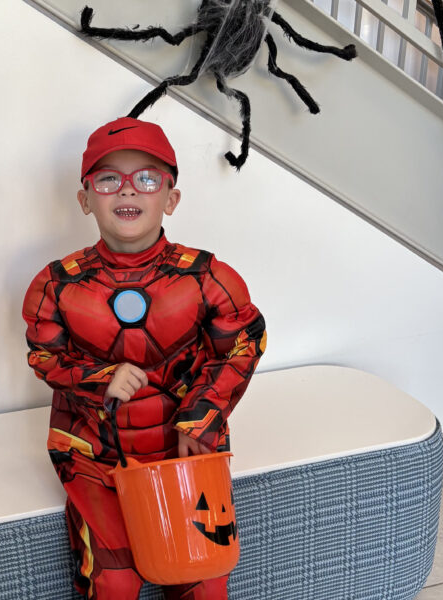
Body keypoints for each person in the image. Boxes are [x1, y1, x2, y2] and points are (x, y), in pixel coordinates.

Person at [22, 117, 266, 600]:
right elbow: (44, 357)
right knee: (113, 581)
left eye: (147, 179)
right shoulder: (55, 284)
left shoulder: (208, 277)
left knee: (202, 577)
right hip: (96, 456)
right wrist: (99, 379)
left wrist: (199, 417)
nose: (126, 191)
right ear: (85, 198)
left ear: (170, 198)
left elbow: (244, 343)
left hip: (186, 453)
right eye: (109, 179)